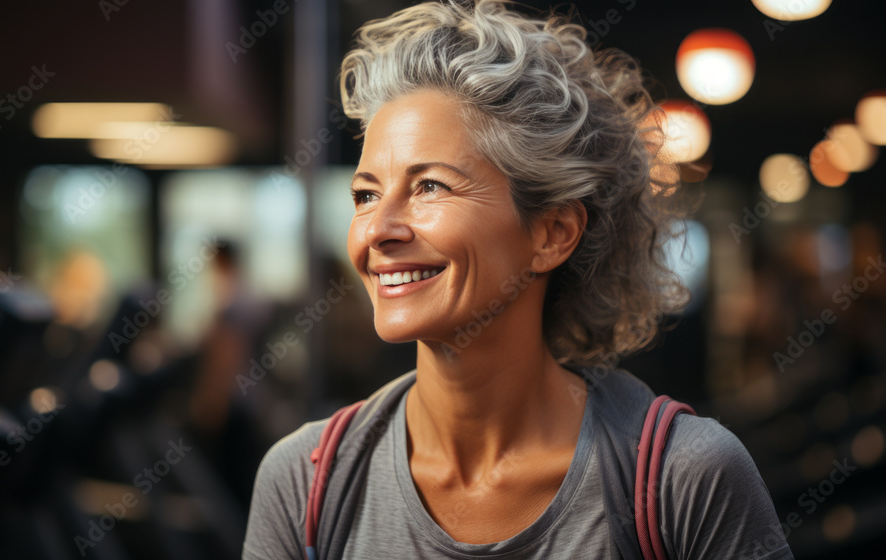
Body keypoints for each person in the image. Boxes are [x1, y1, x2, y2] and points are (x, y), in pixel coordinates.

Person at [244, 1, 793, 559]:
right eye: (365, 195)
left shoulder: (683, 481)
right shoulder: (306, 484)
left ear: (552, 232)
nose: (377, 230)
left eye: (430, 186)